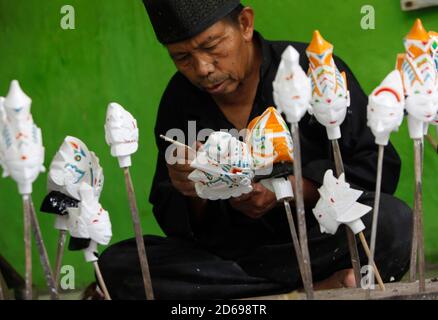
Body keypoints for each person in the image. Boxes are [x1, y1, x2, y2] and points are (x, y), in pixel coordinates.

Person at [98, 0, 412, 300]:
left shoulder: (310, 70)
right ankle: (307, 292)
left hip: (318, 242)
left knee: (392, 222)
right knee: (119, 263)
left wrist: (293, 189)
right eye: (182, 58)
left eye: (211, 46)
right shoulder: (180, 99)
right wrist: (192, 190)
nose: (202, 68)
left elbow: (378, 167)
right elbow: (172, 216)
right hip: (237, 258)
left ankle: (249, 297)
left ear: (245, 24)